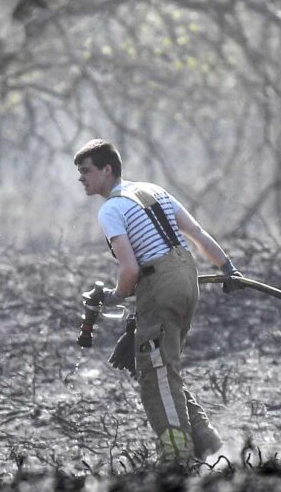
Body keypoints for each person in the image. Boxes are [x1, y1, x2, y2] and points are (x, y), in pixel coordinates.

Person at [74, 138, 243, 463]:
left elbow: (129, 269)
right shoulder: (153, 190)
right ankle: (208, 445)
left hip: (160, 284)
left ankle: (177, 456)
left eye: (86, 171)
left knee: (156, 374)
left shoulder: (111, 209)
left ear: (107, 170)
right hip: (186, 276)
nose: (82, 178)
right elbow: (196, 233)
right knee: (165, 368)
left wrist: (115, 296)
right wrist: (227, 268)